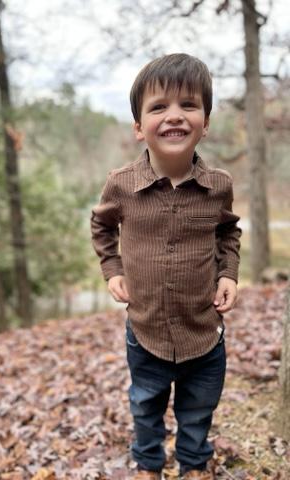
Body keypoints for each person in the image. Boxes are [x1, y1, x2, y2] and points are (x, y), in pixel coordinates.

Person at [90, 53, 242, 480]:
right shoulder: (121, 184)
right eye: (159, 107)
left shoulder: (218, 187)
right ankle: (149, 463)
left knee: (198, 407)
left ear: (205, 122)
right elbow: (101, 226)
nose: (174, 116)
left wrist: (228, 273)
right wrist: (113, 268)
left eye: (188, 105)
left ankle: (194, 464)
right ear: (139, 127)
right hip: (146, 329)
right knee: (145, 402)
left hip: (203, 331)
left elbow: (228, 233)